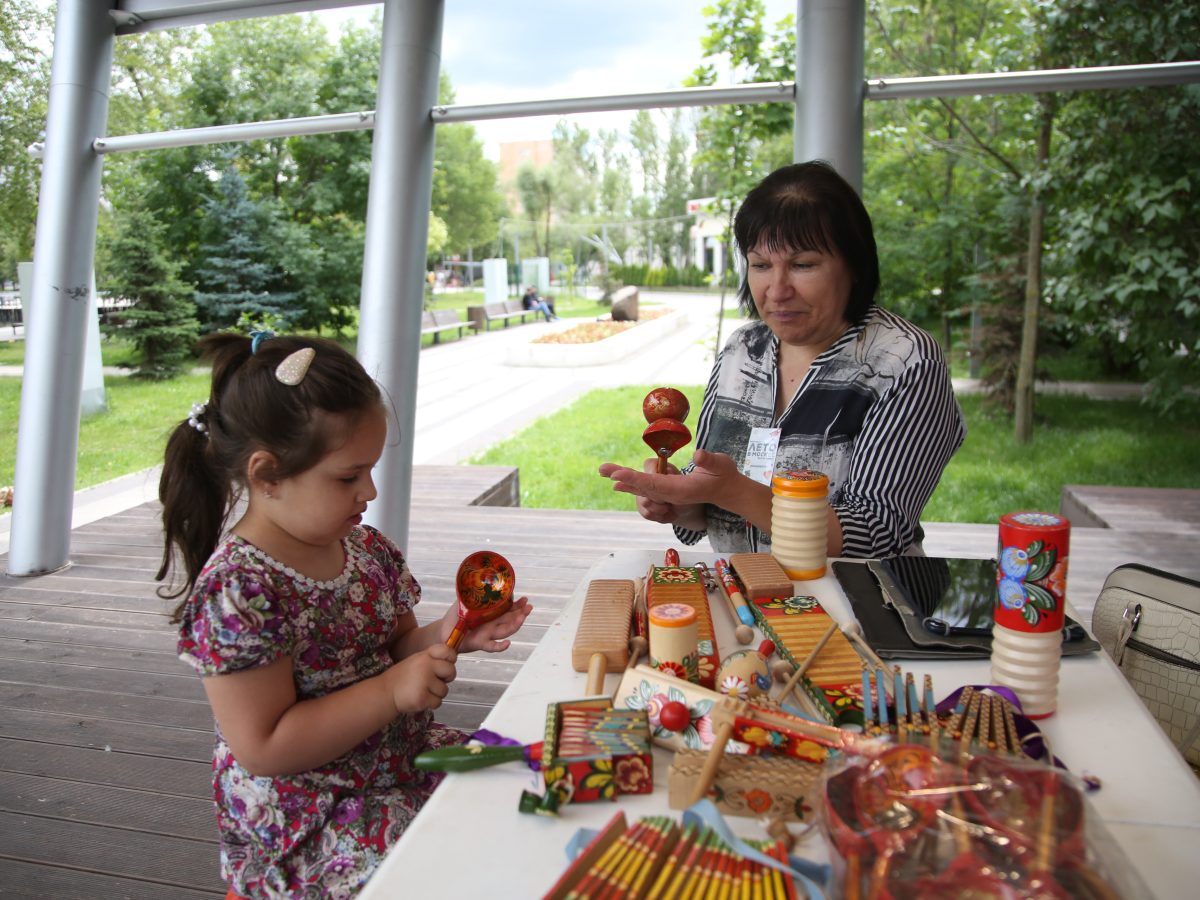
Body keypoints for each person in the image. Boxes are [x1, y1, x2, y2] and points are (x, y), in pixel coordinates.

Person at [156, 332, 532, 899]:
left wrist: (452, 628)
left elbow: (396, 649)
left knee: (523, 783)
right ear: (267, 475)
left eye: (371, 470)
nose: (370, 490)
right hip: (310, 816)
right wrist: (389, 694)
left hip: (400, 761)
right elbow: (265, 745)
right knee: (456, 869)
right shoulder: (240, 591)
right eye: (348, 477)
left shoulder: (365, 548)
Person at [598, 161, 966, 559]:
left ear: (855, 266)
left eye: (803, 265)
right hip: (742, 594)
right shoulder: (744, 350)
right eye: (760, 265)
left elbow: (877, 530)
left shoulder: (903, 360)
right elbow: (712, 499)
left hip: (855, 607)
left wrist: (733, 490)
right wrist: (678, 500)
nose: (776, 290)